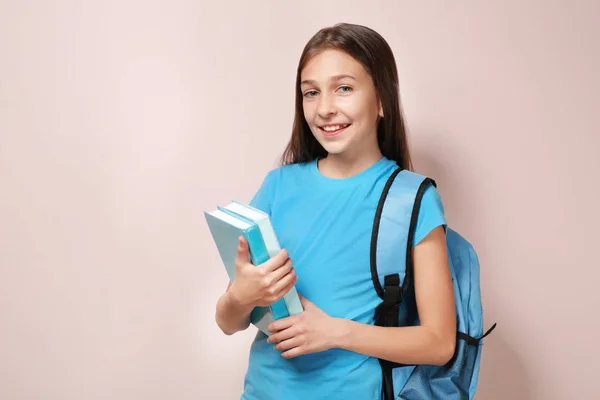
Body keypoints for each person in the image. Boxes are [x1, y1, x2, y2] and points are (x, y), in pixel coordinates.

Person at [214, 22, 457, 400]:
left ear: (381, 100)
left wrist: (334, 332)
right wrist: (239, 297)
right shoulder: (278, 186)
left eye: (344, 88)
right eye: (311, 93)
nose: (325, 109)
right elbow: (228, 323)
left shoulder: (412, 199)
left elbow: (439, 342)